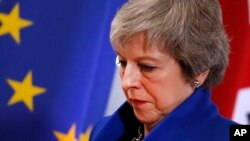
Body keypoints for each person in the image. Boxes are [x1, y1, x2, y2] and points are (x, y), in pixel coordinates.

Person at [90, 0, 237, 140]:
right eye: (123, 62)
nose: (127, 82)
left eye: (147, 67)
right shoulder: (102, 129)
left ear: (198, 71)